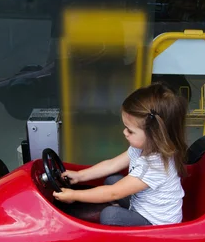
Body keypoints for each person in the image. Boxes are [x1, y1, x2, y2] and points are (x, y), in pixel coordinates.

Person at [53, 83, 188, 226]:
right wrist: (80, 175)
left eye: (130, 131)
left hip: (156, 224)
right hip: (142, 204)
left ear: (154, 135)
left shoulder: (153, 166)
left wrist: (74, 196)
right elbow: (111, 165)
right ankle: (125, 213)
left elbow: (113, 193)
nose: (124, 132)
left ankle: (124, 231)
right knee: (113, 179)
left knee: (110, 215)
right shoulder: (143, 147)